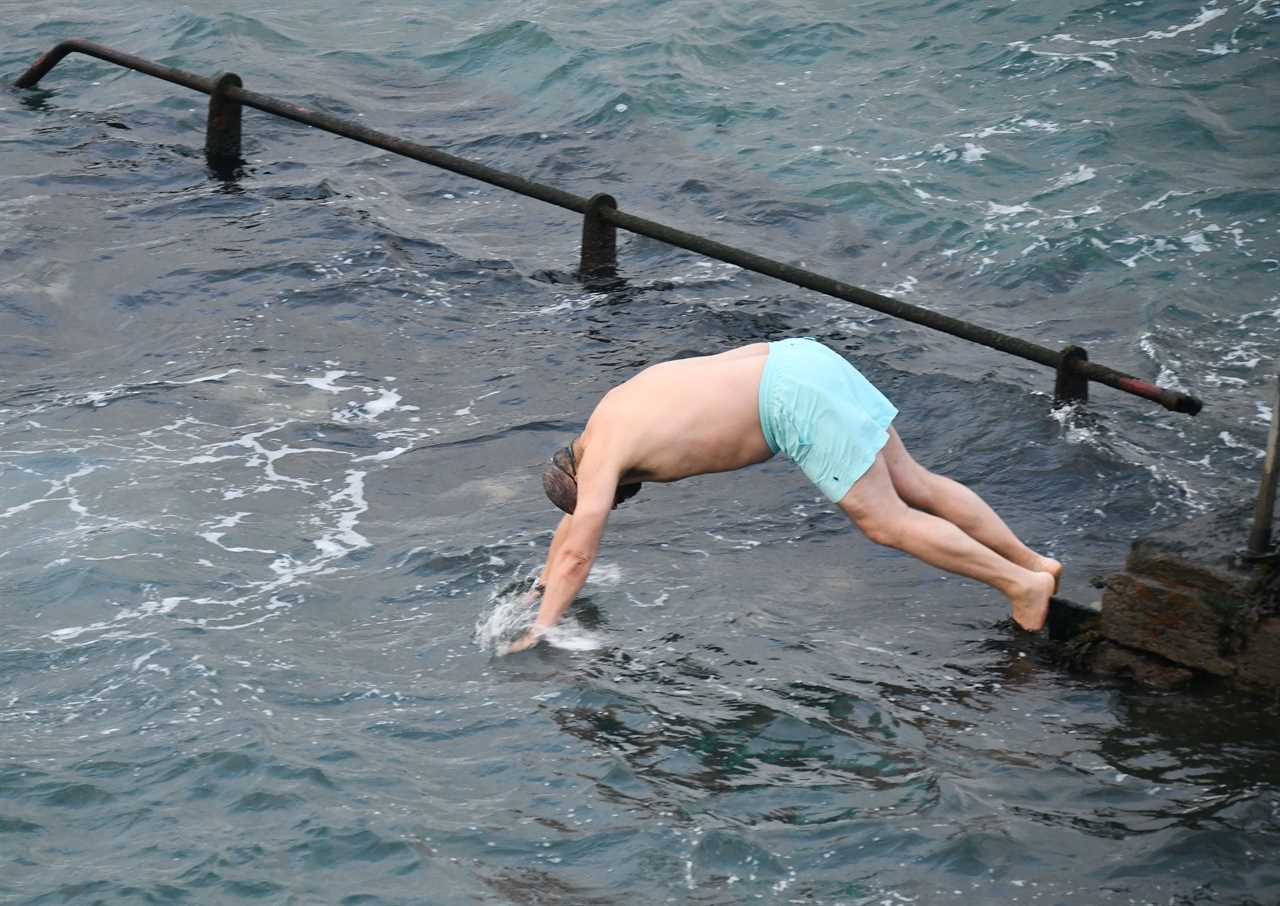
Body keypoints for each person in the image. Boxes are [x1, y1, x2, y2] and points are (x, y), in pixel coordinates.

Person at [507, 338, 1060, 652]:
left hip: (792, 399)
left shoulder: (603, 463)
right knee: (916, 482)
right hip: (799, 357)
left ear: (581, 477)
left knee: (884, 520)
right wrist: (544, 581)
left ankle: (1021, 584)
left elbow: (581, 547)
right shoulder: (608, 414)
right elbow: (575, 527)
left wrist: (543, 627)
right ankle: (1038, 563)